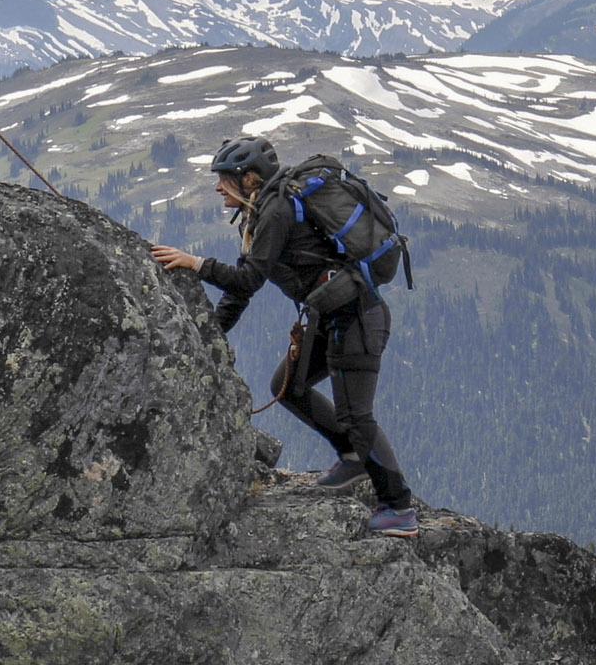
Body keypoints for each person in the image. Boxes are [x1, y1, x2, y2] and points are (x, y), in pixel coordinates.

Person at [150, 136, 418, 537]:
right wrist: (209, 334)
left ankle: (398, 508)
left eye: (224, 179)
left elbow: (247, 279)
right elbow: (242, 287)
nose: (217, 187)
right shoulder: (263, 213)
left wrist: (197, 264)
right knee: (287, 387)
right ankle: (352, 456)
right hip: (332, 319)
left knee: (355, 416)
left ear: (250, 178)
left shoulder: (274, 211)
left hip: (357, 319)